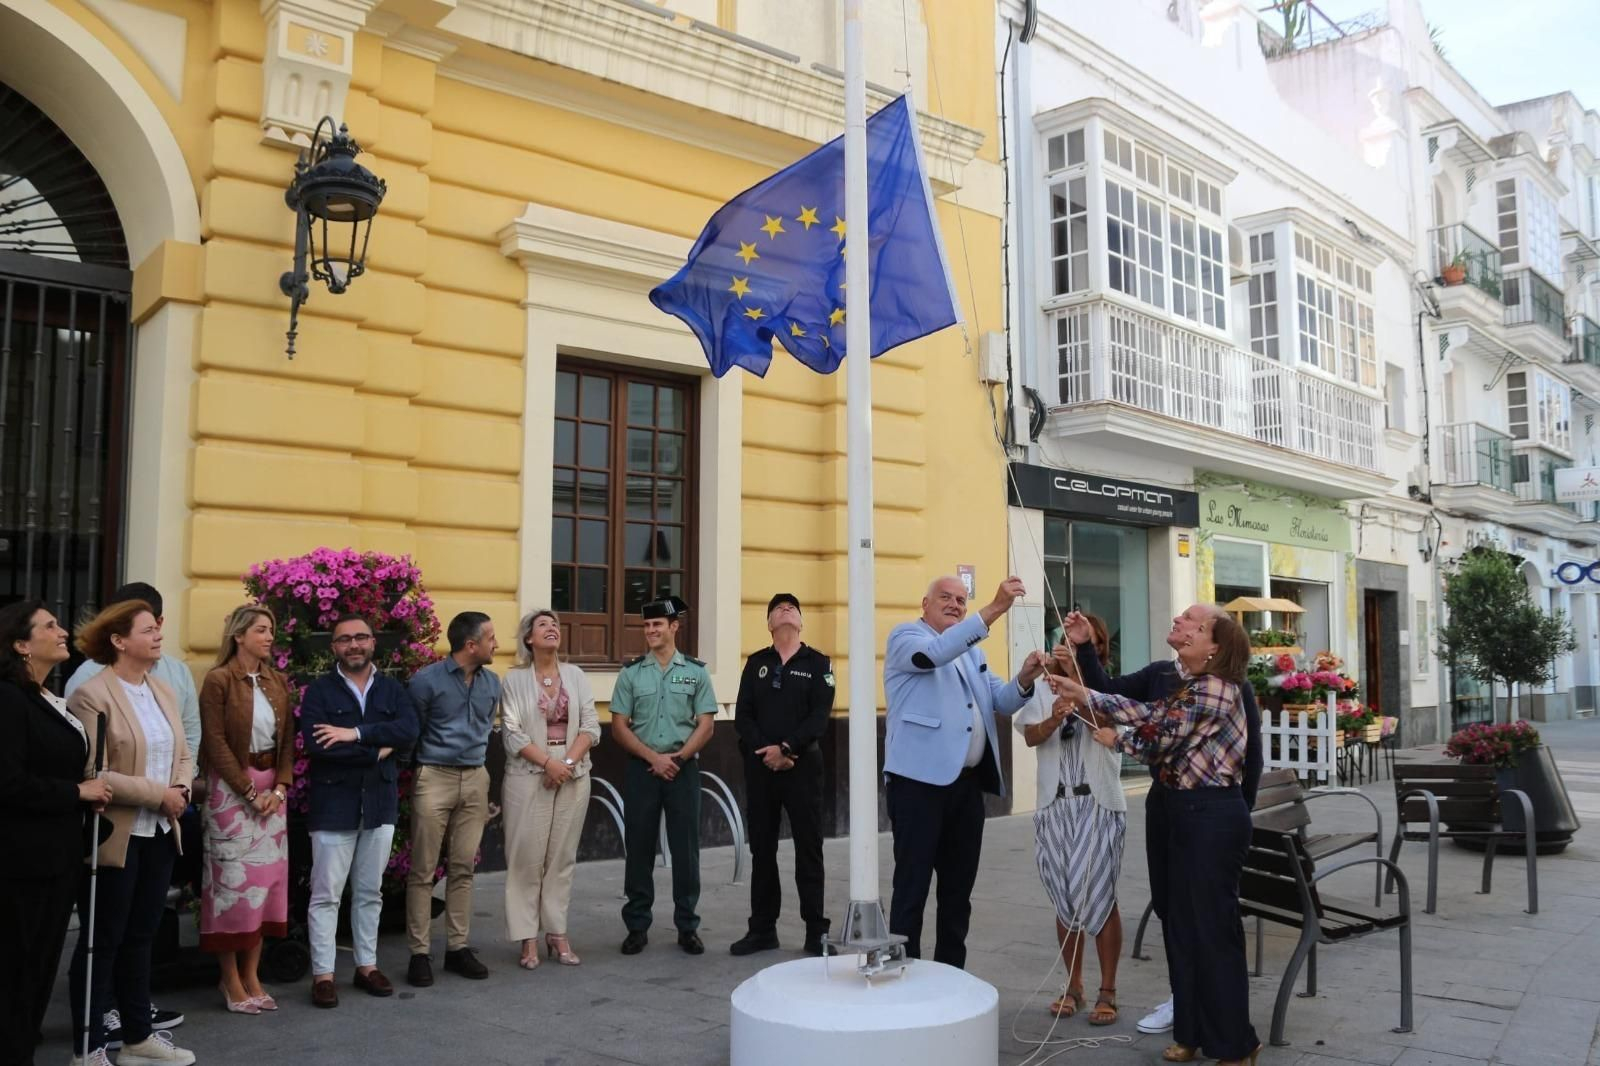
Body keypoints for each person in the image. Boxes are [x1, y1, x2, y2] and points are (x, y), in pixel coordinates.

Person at [1048, 612, 1262, 1066]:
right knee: (1183, 927)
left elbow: (1157, 727)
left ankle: (1236, 1045)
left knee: (1212, 932)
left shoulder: (1217, 688)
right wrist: (1088, 695)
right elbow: (1152, 720)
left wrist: (1102, 718)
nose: (1184, 626)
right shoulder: (1185, 682)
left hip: (1211, 815)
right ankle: (1191, 1030)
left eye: (1198, 628)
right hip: (1185, 812)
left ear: (1215, 650)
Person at [882, 575, 1046, 969]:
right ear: (925, 603)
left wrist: (1025, 678)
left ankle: (951, 973)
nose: (956, 604)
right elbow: (933, 655)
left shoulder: (971, 652)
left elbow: (1002, 702)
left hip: (966, 788)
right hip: (918, 785)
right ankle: (906, 972)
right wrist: (992, 611)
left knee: (958, 893)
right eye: (946, 598)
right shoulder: (906, 636)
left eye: (961, 599)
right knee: (912, 887)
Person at [66, 601, 196, 1066]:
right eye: (148, 629)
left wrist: (179, 787)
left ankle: (138, 1037)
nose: (159, 634)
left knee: (142, 936)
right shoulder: (92, 694)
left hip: (161, 831)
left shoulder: (161, 688)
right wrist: (157, 793)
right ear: (120, 641)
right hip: (115, 835)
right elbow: (94, 771)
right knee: (103, 941)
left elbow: (185, 750)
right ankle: (89, 1046)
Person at [0, 601, 112, 1066]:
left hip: (54, 859)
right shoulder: (8, 699)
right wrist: (76, 792)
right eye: (50, 626)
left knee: (36, 976)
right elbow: (8, 783)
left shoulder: (47, 697)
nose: (63, 631)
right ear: (22, 645)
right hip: (20, 864)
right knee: (14, 977)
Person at [299, 613, 419, 1008]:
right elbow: (320, 747)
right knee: (326, 894)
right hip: (334, 805)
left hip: (379, 804)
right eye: (345, 639)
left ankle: (366, 965)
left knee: (370, 892)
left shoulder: (392, 688)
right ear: (334, 647)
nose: (354, 645)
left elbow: (409, 730)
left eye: (361, 638)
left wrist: (355, 734)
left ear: (372, 643)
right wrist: (378, 750)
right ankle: (324, 974)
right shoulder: (319, 692)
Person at [1014, 617, 1126, 1025]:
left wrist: (1080, 693)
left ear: (1096, 650)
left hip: (1098, 804)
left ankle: (1108, 990)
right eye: (1067, 642)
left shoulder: (1106, 689)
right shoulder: (1043, 689)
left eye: (1083, 644)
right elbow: (1029, 736)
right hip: (1053, 805)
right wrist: (1053, 718)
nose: (1070, 648)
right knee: (1064, 895)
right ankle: (1074, 985)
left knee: (1097, 891)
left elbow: (1116, 730)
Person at [197, 606, 294, 1015]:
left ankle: (252, 974)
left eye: (271, 630)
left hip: (271, 788)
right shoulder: (218, 680)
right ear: (239, 635)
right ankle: (230, 977)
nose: (269, 636)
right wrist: (249, 791)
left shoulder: (277, 681)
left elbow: (289, 739)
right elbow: (215, 742)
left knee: (266, 885)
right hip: (231, 792)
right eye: (260, 630)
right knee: (231, 887)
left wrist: (281, 786)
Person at [610, 596, 717, 956]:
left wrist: (678, 757)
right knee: (638, 848)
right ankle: (637, 926)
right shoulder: (631, 673)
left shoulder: (696, 672)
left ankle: (687, 926)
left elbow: (706, 724)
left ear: (674, 627)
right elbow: (619, 726)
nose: (651, 631)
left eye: (658, 624)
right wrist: (653, 758)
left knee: (686, 849)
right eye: (646, 625)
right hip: (643, 769)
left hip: (682, 770)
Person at [730, 593, 834, 957]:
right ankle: (762, 929)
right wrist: (767, 752)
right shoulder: (756, 663)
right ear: (770, 623)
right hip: (761, 769)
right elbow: (744, 715)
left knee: (810, 849)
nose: (785, 609)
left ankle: (816, 931)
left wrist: (788, 749)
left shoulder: (818, 662)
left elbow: (820, 716)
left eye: (792, 607)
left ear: (801, 622)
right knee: (762, 849)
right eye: (777, 608)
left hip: (803, 769)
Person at [500, 609, 600, 969]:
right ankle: (527, 937)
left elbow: (591, 725)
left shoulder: (575, 676)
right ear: (529, 638)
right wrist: (548, 764)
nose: (552, 628)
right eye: (543, 624)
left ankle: (557, 933)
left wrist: (566, 764)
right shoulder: (513, 681)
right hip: (529, 774)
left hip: (573, 772)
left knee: (562, 858)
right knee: (526, 857)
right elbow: (511, 733)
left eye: (555, 624)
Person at [405, 611, 500, 986]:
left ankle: (458, 949)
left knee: (463, 867)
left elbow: (488, 728)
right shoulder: (425, 681)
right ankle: (419, 954)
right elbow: (413, 731)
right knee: (423, 870)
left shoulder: (494, 683)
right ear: (470, 645)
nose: (497, 644)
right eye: (490, 638)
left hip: (476, 778)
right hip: (434, 776)